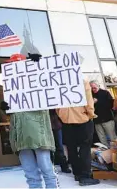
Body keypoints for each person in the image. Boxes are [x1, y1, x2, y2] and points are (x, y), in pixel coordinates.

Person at [7, 54, 59, 189]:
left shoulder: (37, 80)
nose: (14, 67)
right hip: (21, 135)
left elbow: (52, 84)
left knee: (47, 169)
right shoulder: (10, 86)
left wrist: (40, 64)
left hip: (38, 134)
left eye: (17, 64)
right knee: (30, 173)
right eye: (12, 64)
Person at [56, 80, 100, 186]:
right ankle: (85, 176)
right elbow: (89, 101)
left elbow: (56, 104)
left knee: (72, 148)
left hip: (66, 120)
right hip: (82, 119)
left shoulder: (58, 82)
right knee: (85, 148)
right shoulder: (82, 81)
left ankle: (77, 174)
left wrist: (62, 115)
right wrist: (90, 114)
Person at [90, 80, 117, 147]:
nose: (93, 89)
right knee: (102, 138)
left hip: (107, 119)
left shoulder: (105, 93)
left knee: (112, 137)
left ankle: (116, 152)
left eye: (94, 88)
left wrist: (97, 102)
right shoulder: (90, 95)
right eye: (91, 88)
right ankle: (106, 152)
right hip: (97, 120)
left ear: (98, 86)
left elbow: (110, 105)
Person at [49, 109, 71, 173]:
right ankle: (52, 167)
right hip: (50, 125)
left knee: (59, 147)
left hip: (55, 124)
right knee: (51, 148)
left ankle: (64, 166)